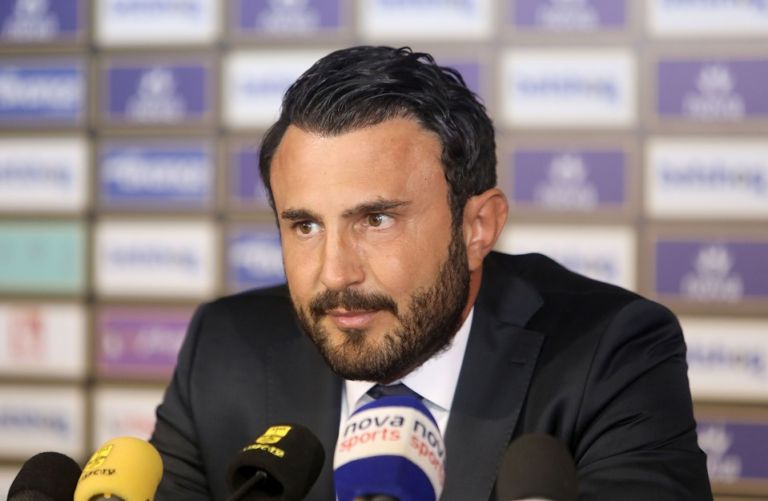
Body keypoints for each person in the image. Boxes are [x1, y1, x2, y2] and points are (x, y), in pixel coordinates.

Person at [150, 46, 712, 500]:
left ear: (477, 228)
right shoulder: (224, 349)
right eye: (305, 226)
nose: (335, 273)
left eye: (376, 220)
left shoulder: (610, 352)